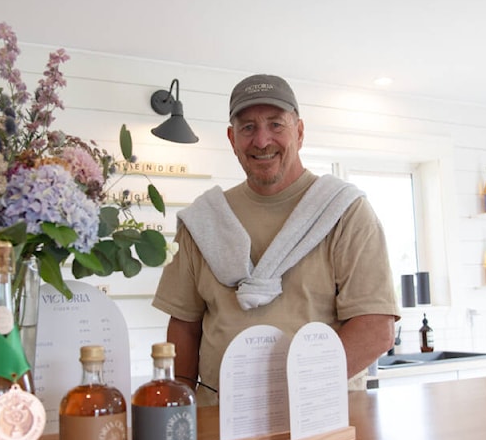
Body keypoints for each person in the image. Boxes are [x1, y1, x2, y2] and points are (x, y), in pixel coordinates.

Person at [152, 74, 400, 406]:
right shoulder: (203, 220)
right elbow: (184, 327)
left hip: (318, 414)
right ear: (232, 138)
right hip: (220, 418)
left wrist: (294, 391)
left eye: (276, 125)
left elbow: (375, 328)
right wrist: (178, 409)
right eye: (248, 128)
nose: (262, 140)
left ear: (299, 131)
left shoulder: (346, 212)